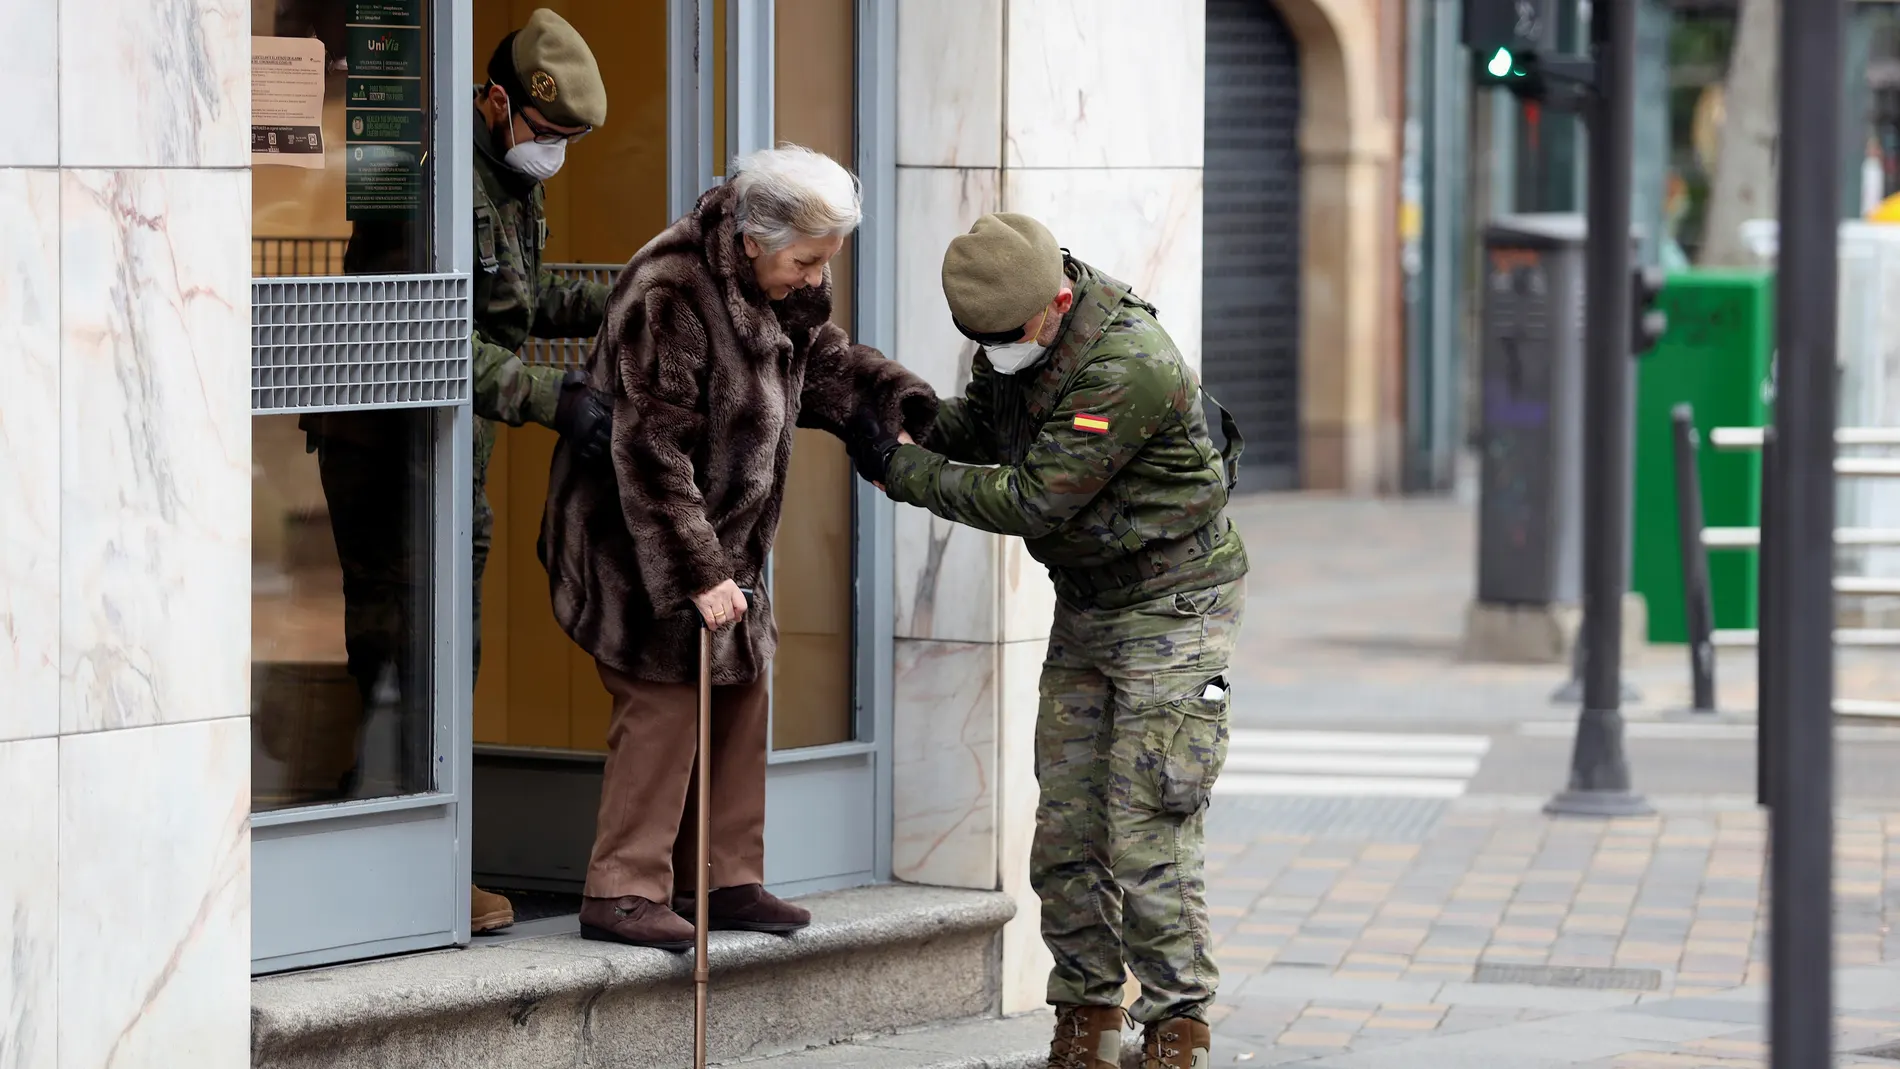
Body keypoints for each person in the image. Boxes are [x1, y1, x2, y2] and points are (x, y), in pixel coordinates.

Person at [845, 214, 1250, 1069]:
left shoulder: (1127, 364)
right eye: (978, 342)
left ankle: (1179, 1028)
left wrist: (900, 470)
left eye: (1004, 340)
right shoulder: (1017, 331)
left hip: (1174, 607)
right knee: (1066, 830)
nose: (993, 356)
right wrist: (887, 418)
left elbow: (1034, 499)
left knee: (1146, 826)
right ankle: (1089, 1022)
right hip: (1089, 603)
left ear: (1056, 302)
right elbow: (980, 422)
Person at [538, 145, 938, 949]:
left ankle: (725, 877)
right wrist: (699, 570)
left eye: (828, 261)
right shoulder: (671, 290)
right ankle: (621, 889)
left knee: (743, 684)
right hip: (637, 540)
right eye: (806, 260)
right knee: (662, 698)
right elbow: (649, 451)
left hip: (726, 540)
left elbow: (816, 361)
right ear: (754, 239)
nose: (818, 277)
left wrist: (890, 398)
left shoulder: (773, 278)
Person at [304, 7, 616, 935]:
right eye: (548, 133)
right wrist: (550, 398)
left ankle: (416, 856)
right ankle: (395, 865)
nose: (554, 154)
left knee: (443, 653)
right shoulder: (432, 183)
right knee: (402, 652)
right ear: (496, 99)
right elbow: (432, 332)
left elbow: (519, 302)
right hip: (389, 449)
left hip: (445, 459)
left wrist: (633, 292)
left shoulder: (508, 179)